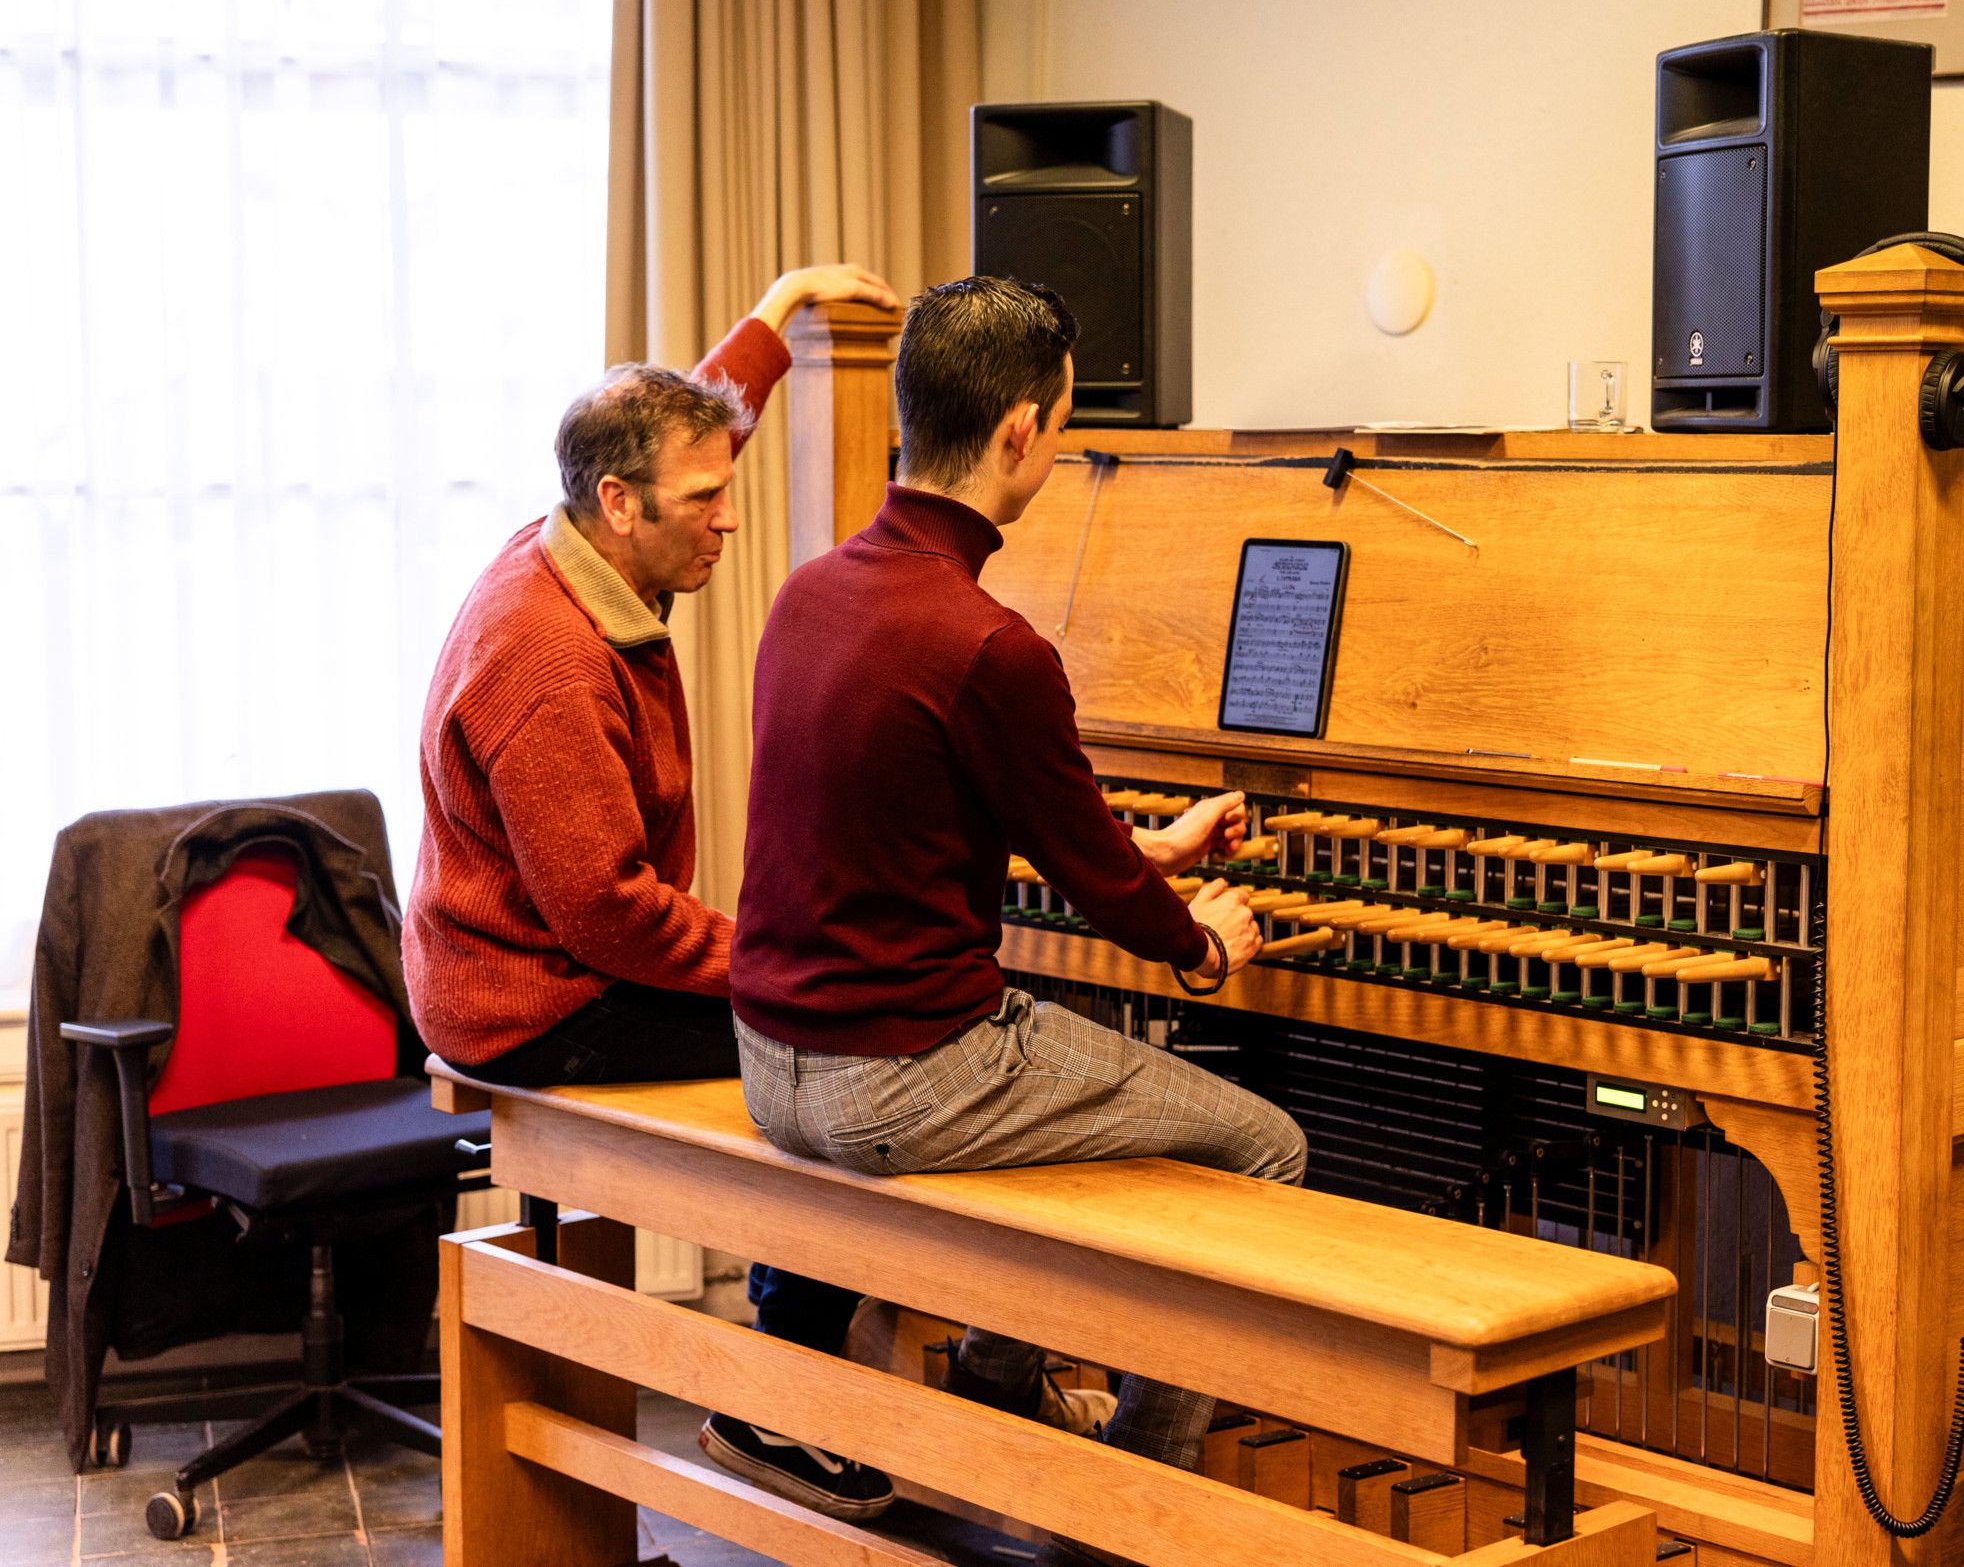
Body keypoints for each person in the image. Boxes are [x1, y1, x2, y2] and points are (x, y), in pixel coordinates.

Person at [729, 276, 1307, 1567]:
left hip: (775, 1061)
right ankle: (1132, 1509)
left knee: (1081, 1046)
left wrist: (1141, 846)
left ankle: (999, 1394)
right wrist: (1208, 940)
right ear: (1019, 434)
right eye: (1062, 419)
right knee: (1261, 1143)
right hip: (899, 1079)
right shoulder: (991, 641)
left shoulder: (813, 590)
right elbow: (1119, 908)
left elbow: (950, 811)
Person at [405, 261, 989, 1524]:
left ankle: (842, 1352)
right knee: (828, 1051)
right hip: (530, 995)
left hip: (539, 956)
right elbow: (608, 912)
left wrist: (778, 313)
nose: (728, 519)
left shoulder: (577, 532)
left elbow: (697, 427)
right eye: (706, 503)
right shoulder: (547, 663)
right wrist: (782, 958)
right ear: (618, 506)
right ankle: (773, 1398)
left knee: (820, 1030)